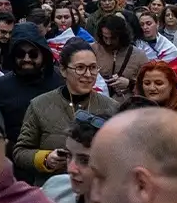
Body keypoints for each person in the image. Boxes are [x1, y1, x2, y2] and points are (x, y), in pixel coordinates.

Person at [14, 39, 119, 185]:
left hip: (96, 191)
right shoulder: (40, 105)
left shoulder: (111, 107)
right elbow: (20, 152)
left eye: (93, 68)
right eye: (80, 68)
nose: (88, 74)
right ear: (63, 70)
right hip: (52, 191)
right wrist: (46, 158)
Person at [0, 22, 63, 159]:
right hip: (14, 163)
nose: (26, 59)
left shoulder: (62, 81)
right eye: (20, 54)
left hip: (57, 162)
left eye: (33, 54)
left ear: (43, 54)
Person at [92, 13, 147, 103]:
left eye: (113, 38)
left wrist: (129, 84)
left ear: (122, 36)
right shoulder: (92, 50)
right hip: (96, 105)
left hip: (125, 108)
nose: (108, 42)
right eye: (105, 38)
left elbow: (149, 85)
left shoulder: (139, 56)